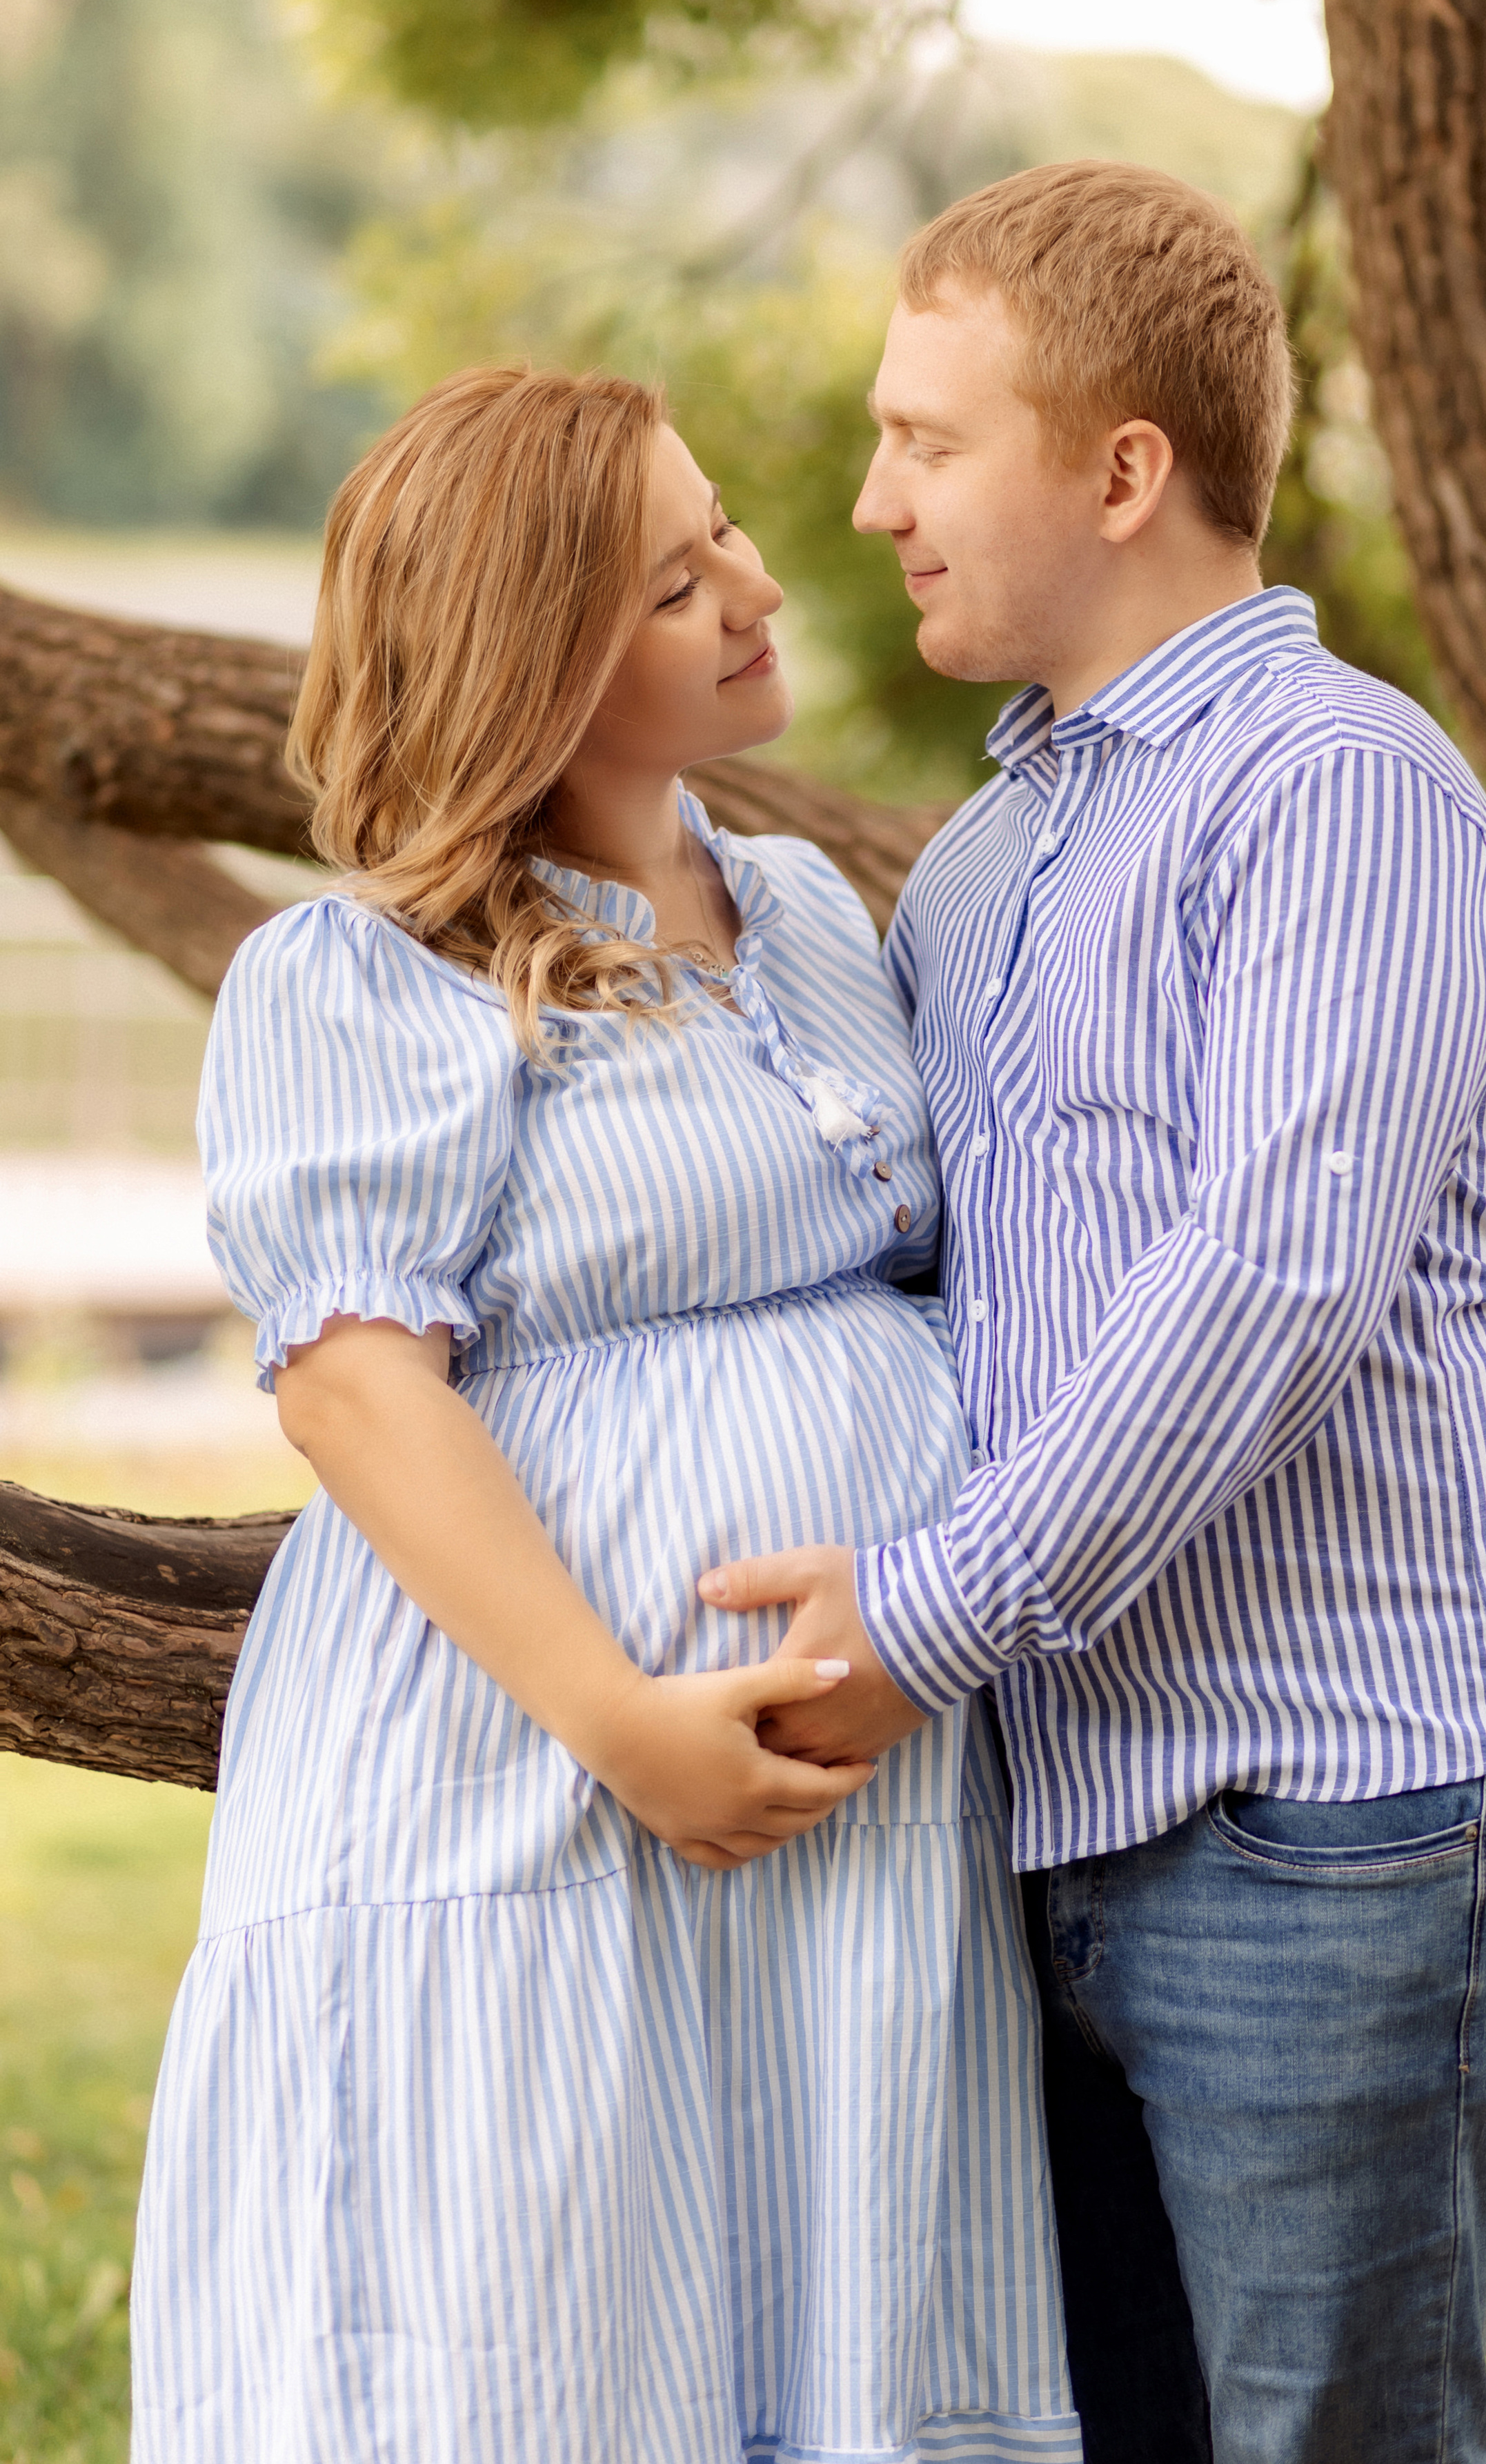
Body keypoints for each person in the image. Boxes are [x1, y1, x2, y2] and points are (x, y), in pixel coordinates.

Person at [697, 161, 1486, 2464]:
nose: (877, 504)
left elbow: (1267, 1281)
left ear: (1122, 472)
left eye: (930, 442)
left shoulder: (1341, 794)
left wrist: (922, 1619)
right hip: (1053, 1821)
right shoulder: (989, 863)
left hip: (1333, 1818)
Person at [129, 364, 1080, 2464]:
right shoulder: (366, 974)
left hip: (856, 1822)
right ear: (532, 666)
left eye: (722, 528)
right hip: (534, 1777)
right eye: (671, 582)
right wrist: (621, 1718)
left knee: (842, 2330)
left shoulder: (817, 912)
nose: (755, 584)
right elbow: (359, 1382)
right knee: (545, 2336)